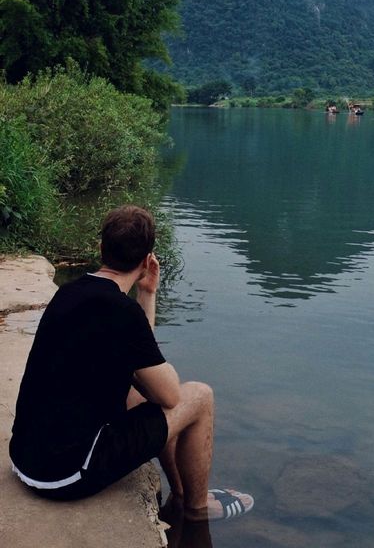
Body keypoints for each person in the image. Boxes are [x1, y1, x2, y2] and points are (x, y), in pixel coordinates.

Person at [9, 205, 253, 522]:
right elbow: (169, 396)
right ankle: (197, 509)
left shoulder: (69, 293)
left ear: (100, 248)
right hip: (65, 475)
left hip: (26, 459)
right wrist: (147, 297)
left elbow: (139, 361)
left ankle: (179, 493)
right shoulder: (122, 312)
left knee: (138, 392)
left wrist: (146, 295)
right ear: (146, 260)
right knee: (199, 396)